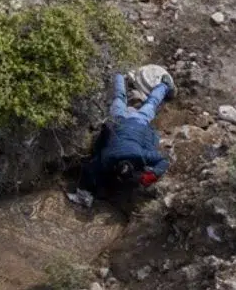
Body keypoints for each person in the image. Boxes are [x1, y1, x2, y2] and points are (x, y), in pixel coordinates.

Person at [69, 73, 173, 207]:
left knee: (149, 103)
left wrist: (84, 194)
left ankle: (124, 76)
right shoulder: (133, 156)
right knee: (121, 97)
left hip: (137, 121)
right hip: (122, 120)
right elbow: (163, 161)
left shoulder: (135, 155)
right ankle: (123, 77)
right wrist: (152, 175)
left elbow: (89, 168)